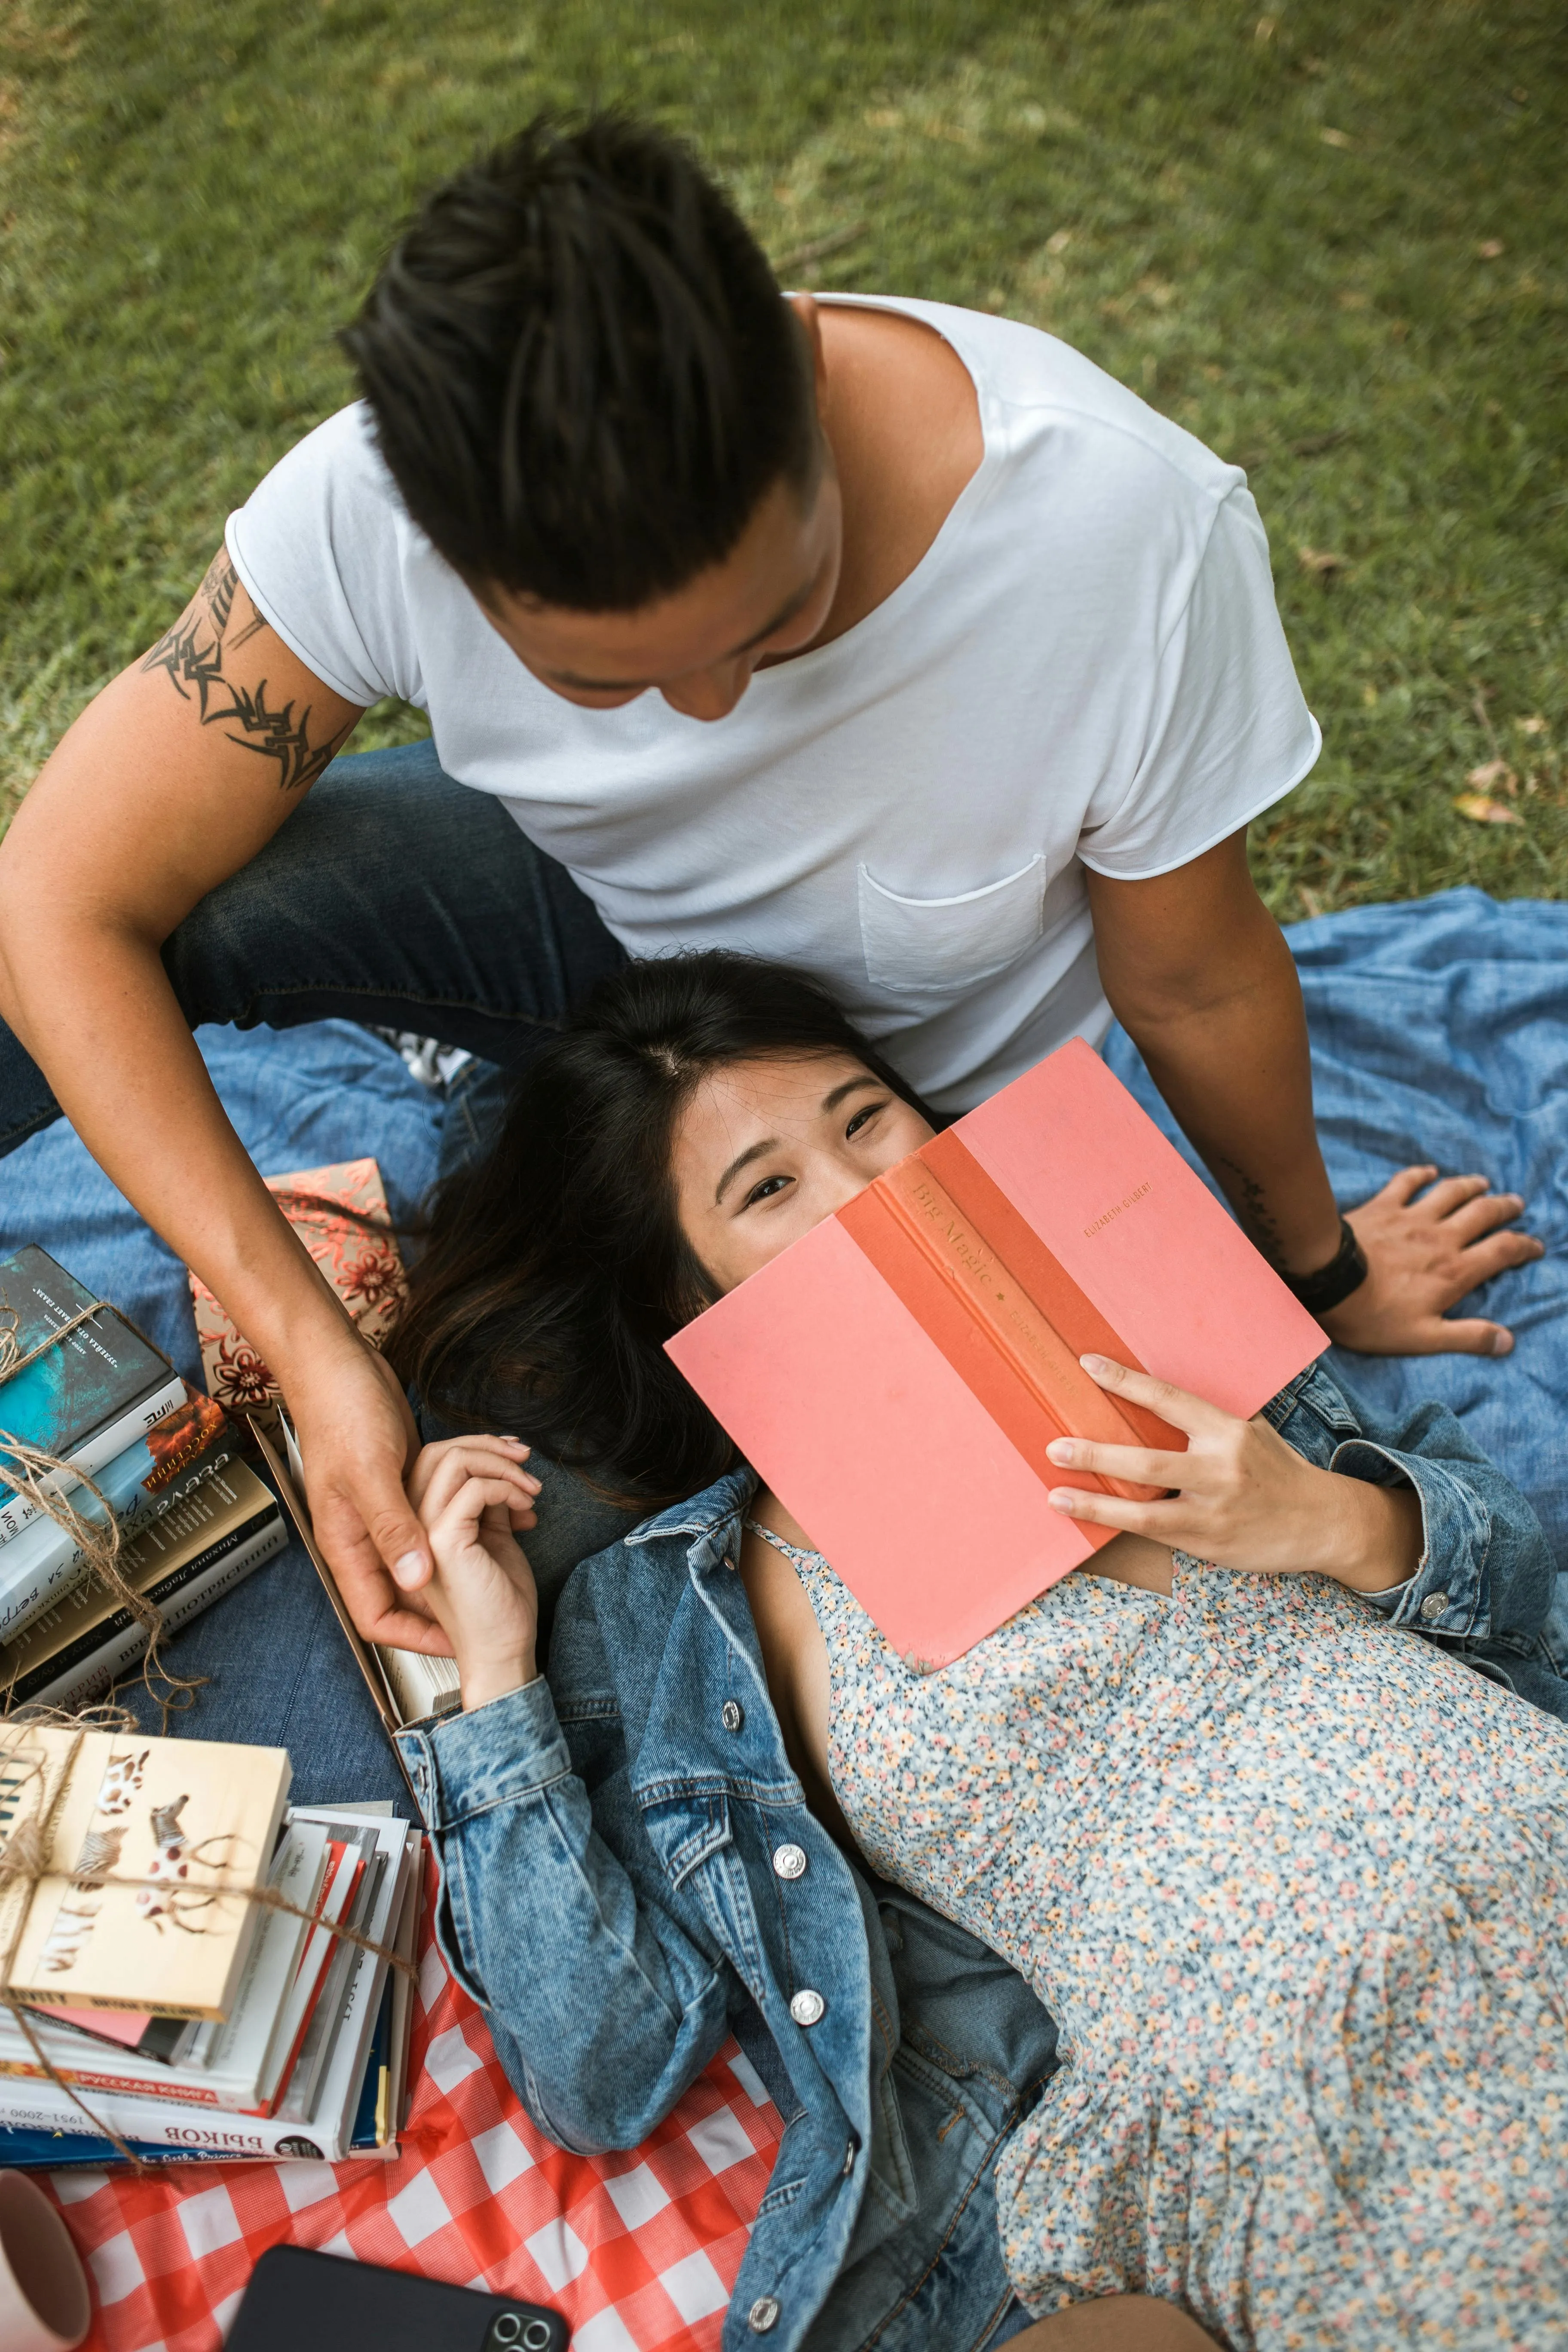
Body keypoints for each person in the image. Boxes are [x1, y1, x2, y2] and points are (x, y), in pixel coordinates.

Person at [0, 115, 1542, 1668]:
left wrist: (1313, 1268)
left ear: (805, 361)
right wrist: (308, 1347)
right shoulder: (374, 504)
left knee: (515, 1561)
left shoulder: (1113, 532)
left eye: (778, 616)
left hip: (866, 1113)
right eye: (614, 685)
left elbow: (1197, 981)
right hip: (585, 931)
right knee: (155, 940)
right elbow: (57, 903)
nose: (723, 716)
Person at [383, 952, 1567, 2352]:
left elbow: (1516, 1577)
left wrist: (1320, 1515)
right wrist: (494, 1680)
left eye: (866, 1119)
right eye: (765, 1189)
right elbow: (603, 2069)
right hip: (1272, 2085)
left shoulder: (1156, 1321)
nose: (864, 1189)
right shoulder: (683, 1608)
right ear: (693, 1308)